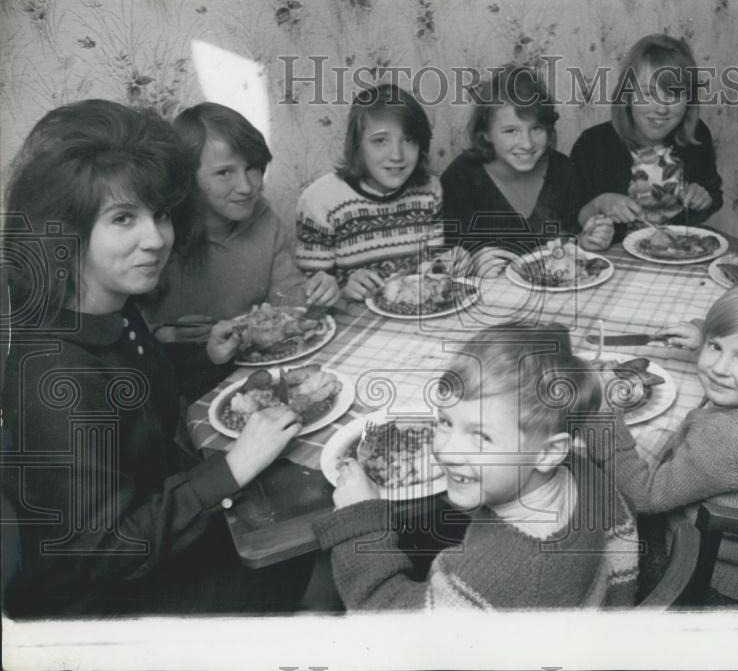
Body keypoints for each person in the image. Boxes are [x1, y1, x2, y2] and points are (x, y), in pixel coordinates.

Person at [1, 100, 311, 616]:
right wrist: (232, 469)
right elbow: (101, 549)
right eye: (123, 218)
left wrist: (209, 362)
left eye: (160, 214)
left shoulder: (115, 314)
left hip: (162, 534)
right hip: (102, 604)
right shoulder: (55, 370)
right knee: (325, 557)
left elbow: (146, 413)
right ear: (67, 227)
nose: (156, 239)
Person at [315, 324, 641, 609]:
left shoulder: (504, 572)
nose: (445, 449)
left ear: (549, 452)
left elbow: (391, 624)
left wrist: (359, 522)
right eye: (445, 421)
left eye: (480, 436)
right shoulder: (582, 473)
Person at [591, 278, 738, 603]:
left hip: (711, 573)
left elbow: (642, 495)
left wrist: (604, 416)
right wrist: (704, 334)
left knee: (596, 528)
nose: (719, 369)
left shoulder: (725, 440)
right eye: (716, 347)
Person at [144, 102, 338, 397]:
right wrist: (161, 334)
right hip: (188, 387)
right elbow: (137, 334)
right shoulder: (161, 236)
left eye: (253, 168)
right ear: (187, 176)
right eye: (225, 173)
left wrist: (320, 293)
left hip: (262, 373)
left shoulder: (264, 218)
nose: (247, 187)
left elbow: (290, 304)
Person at [442, 65, 612, 271]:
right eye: (511, 131)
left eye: (536, 128)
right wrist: (472, 264)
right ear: (486, 133)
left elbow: (568, 240)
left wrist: (585, 241)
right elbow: (445, 259)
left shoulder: (562, 170)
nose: (527, 144)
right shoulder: (460, 178)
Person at [296, 84, 448, 302]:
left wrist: (449, 263)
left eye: (409, 140)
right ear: (357, 145)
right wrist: (343, 291)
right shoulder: (318, 202)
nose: (397, 155)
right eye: (380, 141)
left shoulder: (430, 190)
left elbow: (433, 268)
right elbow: (310, 298)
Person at [573, 33, 723, 244]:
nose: (661, 109)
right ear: (627, 95)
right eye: (649, 94)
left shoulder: (697, 135)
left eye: (673, 94)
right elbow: (572, 218)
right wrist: (600, 203)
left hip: (679, 253)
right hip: (613, 260)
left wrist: (704, 197)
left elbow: (715, 195)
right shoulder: (592, 144)